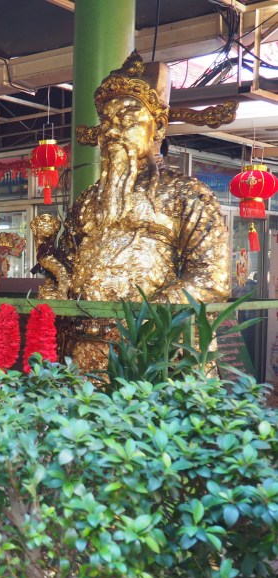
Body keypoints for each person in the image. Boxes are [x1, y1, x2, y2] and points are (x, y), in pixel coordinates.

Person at [44, 51, 230, 372]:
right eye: (106, 121)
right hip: (81, 348)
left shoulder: (186, 195)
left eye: (127, 119)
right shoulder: (87, 201)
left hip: (150, 351)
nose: (112, 131)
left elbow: (210, 278)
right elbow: (66, 265)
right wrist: (55, 281)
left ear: (157, 126)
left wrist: (146, 318)